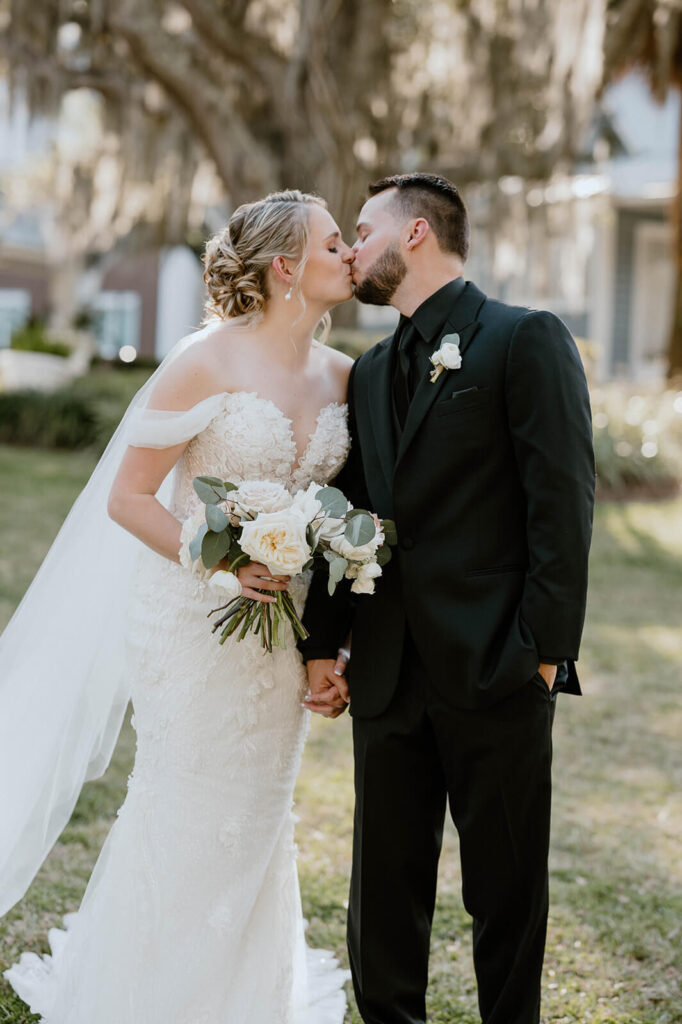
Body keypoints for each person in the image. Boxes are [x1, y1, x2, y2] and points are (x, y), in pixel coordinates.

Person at [1, 189, 355, 1023]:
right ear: (286, 267)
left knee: (261, 808)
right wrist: (226, 563)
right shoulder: (205, 360)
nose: (350, 253)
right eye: (335, 242)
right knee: (189, 797)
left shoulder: (347, 375)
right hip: (192, 617)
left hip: (283, 629)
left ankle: (245, 997)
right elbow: (130, 497)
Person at [299, 172, 596, 1024]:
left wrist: (542, 655)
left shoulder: (523, 339)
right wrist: (324, 644)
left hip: (496, 668)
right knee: (383, 895)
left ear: (417, 234)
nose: (352, 248)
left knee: (505, 894)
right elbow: (346, 515)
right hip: (388, 676)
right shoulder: (369, 372)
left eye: (363, 229)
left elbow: (562, 508)